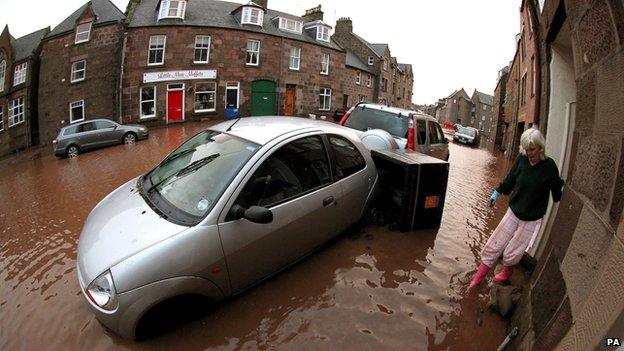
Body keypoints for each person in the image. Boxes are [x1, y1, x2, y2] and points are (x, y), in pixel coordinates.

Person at [469, 128, 564, 288]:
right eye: (526, 149)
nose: (529, 153)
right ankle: (477, 279)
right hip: (513, 212)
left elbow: (556, 192)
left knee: (512, 252)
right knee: (494, 244)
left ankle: (507, 271)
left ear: (540, 148)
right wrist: (497, 191)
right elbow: (510, 180)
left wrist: (562, 191)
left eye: (532, 149)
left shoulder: (549, 166)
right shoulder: (521, 159)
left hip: (532, 219)